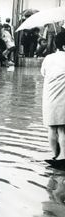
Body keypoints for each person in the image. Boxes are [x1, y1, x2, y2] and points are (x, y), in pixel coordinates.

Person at [41, 32, 65, 168]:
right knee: (62, 129)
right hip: (63, 97)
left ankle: (55, 154)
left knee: (51, 128)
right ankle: (63, 156)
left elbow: (43, 73)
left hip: (49, 98)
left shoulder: (48, 58)